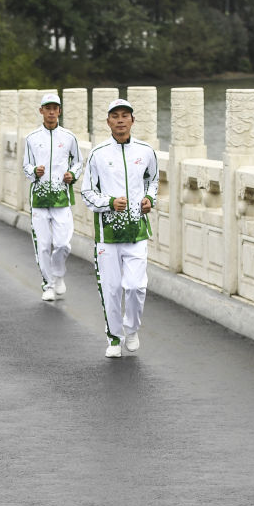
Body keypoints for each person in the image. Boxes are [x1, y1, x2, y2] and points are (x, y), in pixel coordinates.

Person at [81, 99, 158, 358]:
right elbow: (86, 192)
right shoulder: (98, 154)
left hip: (137, 231)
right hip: (107, 233)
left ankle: (131, 328)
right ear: (108, 122)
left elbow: (153, 181)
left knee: (136, 286)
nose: (121, 120)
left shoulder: (146, 151)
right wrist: (110, 203)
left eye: (126, 116)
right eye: (115, 116)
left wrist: (150, 200)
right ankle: (114, 337)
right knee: (112, 288)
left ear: (133, 121)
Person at [22, 93, 82, 302]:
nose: (51, 112)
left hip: (61, 199)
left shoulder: (68, 137)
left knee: (63, 244)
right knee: (44, 245)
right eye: (47, 108)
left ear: (59, 111)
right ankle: (48, 285)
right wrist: (33, 172)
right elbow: (26, 165)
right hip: (39, 200)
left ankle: (58, 275)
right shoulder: (31, 138)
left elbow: (78, 163)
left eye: (54, 108)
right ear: (41, 111)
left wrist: (72, 175)